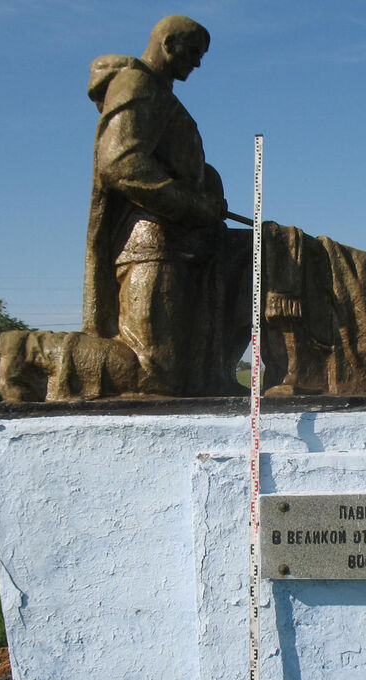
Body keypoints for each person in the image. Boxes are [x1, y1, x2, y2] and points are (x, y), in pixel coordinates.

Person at [83, 15, 244, 395]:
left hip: (183, 245)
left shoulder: (162, 95)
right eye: (192, 52)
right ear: (168, 43)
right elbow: (120, 164)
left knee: (184, 373)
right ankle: (26, 351)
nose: (198, 62)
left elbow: (177, 162)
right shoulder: (137, 84)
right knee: (153, 373)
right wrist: (192, 204)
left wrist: (208, 184)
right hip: (151, 245)